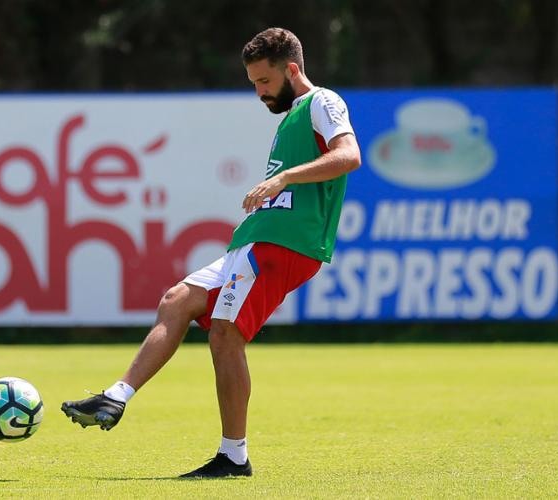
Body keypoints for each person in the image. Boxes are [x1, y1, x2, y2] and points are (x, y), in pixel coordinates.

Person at [61, 27, 361, 478]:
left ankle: (233, 457)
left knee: (224, 333)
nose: (259, 92)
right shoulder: (292, 117)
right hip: (255, 240)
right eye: (253, 84)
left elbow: (350, 154)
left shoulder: (322, 102)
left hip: (285, 244)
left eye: (264, 81)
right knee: (176, 300)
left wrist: (283, 178)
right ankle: (116, 396)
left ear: (292, 69)